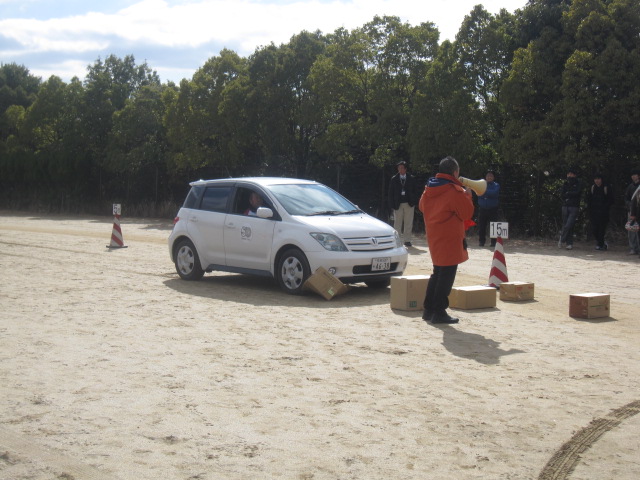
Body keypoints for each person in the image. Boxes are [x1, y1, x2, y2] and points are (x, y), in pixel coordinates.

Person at [418, 156, 474, 325]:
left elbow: (422, 207)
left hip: (434, 235)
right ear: (455, 172)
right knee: (446, 275)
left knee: (438, 272)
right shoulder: (453, 190)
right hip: (449, 237)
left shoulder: (429, 188)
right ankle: (439, 311)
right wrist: (468, 197)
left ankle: (428, 309)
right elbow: (466, 213)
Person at [388, 160, 420, 247]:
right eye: (399, 168)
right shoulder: (394, 179)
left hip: (409, 203)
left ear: (405, 169)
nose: (400, 169)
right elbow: (391, 193)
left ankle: (407, 240)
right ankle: (397, 240)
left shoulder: (411, 178)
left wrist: (414, 202)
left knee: (408, 222)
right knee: (397, 223)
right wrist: (392, 205)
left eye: (402, 168)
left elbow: (415, 191)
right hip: (397, 204)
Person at [586, 173, 613, 251]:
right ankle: (601, 243)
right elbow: (589, 199)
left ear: (601, 179)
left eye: (598, 178)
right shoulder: (592, 188)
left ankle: (600, 244)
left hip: (603, 214)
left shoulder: (606, 187)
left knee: (601, 229)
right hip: (594, 213)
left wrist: (605, 208)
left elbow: (611, 200)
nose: (597, 180)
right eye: (595, 179)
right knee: (594, 229)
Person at [558, 167, 582, 250]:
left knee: (568, 224)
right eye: (568, 174)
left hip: (574, 207)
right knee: (567, 225)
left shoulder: (578, 183)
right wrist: (569, 194)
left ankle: (562, 238)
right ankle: (569, 243)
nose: (569, 175)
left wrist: (568, 193)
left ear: (574, 175)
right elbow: (562, 194)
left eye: (571, 174)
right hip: (565, 206)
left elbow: (577, 193)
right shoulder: (565, 184)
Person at [477, 169, 500, 247]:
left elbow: (494, 193)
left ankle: (493, 242)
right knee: (481, 226)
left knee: (493, 226)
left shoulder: (496, 185)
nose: (489, 177)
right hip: (483, 208)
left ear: (493, 177)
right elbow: (478, 193)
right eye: (488, 175)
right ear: (485, 177)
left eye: (491, 176)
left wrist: (484, 192)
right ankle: (481, 241)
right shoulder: (482, 184)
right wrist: (486, 192)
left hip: (493, 209)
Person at [624, 169, 640, 255]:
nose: (633, 176)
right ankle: (633, 248)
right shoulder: (630, 187)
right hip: (631, 211)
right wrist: (630, 205)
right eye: (632, 175)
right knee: (631, 230)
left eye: (635, 175)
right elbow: (626, 198)